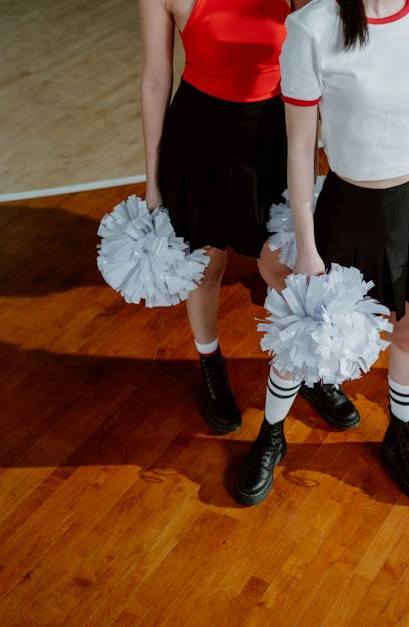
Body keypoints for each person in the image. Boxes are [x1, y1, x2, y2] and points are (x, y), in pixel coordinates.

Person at [234, 0, 409, 506]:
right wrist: (308, 248)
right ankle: (271, 436)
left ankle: (399, 437)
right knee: (303, 340)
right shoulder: (311, 28)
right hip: (347, 211)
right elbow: (299, 149)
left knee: (407, 335)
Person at [138, 0, 360, 436]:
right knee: (206, 265)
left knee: (283, 266)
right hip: (199, 140)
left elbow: (322, 60)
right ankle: (210, 361)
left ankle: (305, 366)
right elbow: (154, 80)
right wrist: (152, 180)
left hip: (274, 135)